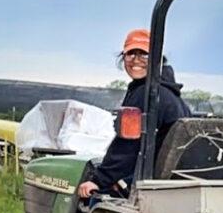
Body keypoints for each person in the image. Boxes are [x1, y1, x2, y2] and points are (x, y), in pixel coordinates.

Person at [76, 29, 191, 198]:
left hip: (149, 183)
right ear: (123, 57)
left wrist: (98, 180)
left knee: (94, 195)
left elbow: (127, 147)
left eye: (143, 54)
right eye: (130, 54)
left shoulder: (147, 94)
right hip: (164, 177)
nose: (136, 60)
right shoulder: (171, 95)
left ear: (156, 59)